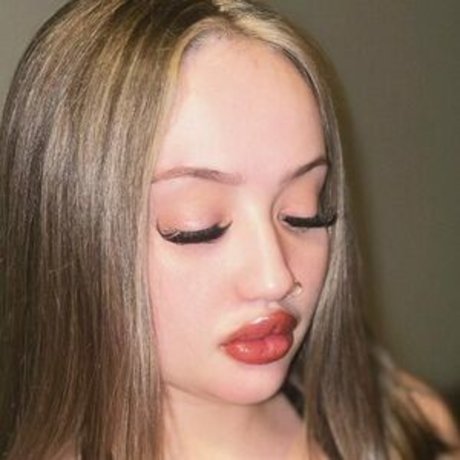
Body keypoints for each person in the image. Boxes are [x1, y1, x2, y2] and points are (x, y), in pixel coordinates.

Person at [0, 0, 458, 459]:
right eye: (199, 227)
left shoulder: (407, 431)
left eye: (303, 213)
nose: (275, 279)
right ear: (73, 233)